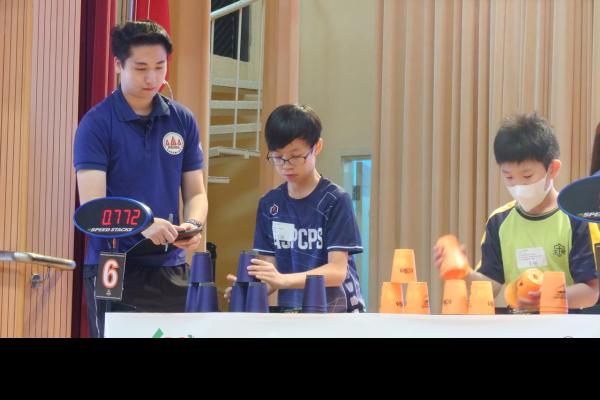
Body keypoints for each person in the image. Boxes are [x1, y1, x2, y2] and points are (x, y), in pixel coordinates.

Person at [74, 21, 208, 337]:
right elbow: (92, 208)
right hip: (113, 264)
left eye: (160, 67)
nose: (152, 78)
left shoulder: (182, 120)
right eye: (141, 68)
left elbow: (196, 193)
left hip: (171, 265)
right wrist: (142, 224)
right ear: (118, 65)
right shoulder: (96, 124)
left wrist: (192, 225)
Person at [434, 113, 599, 310]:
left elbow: (591, 292)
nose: (518, 185)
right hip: (517, 323)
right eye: (509, 177)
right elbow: (491, 287)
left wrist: (549, 296)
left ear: (553, 169)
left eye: (527, 176)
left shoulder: (577, 219)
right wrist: (464, 273)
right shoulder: (499, 221)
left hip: (565, 323)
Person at [225, 104, 365, 312]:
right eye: (277, 157)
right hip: (292, 313)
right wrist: (249, 291)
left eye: (295, 156)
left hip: (338, 315)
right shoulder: (269, 204)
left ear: (317, 147)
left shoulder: (335, 200)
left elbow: (337, 272)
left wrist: (284, 280)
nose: (286, 165)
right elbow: (272, 275)